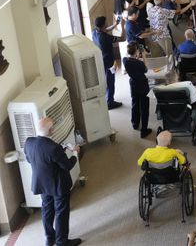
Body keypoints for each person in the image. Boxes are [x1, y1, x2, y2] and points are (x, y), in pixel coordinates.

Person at [24, 117, 82, 246]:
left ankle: (50, 238)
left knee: (47, 210)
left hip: (42, 184)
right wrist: (75, 153)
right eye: (53, 127)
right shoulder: (53, 148)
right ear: (50, 130)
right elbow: (67, 165)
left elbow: (30, 159)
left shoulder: (29, 142)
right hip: (58, 185)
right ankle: (62, 241)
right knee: (61, 211)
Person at [92, 15, 123, 110]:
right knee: (110, 81)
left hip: (101, 60)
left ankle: (107, 98)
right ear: (103, 25)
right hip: (109, 62)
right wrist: (123, 26)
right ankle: (110, 102)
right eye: (106, 23)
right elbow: (123, 38)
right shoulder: (105, 37)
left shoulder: (95, 32)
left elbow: (105, 29)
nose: (107, 24)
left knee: (106, 80)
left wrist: (115, 24)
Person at [123, 43, 153, 138]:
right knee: (144, 107)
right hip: (142, 85)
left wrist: (134, 55)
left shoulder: (125, 61)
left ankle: (135, 123)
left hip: (133, 84)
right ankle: (144, 130)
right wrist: (143, 56)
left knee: (135, 104)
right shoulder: (139, 63)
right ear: (136, 51)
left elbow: (128, 58)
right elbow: (145, 70)